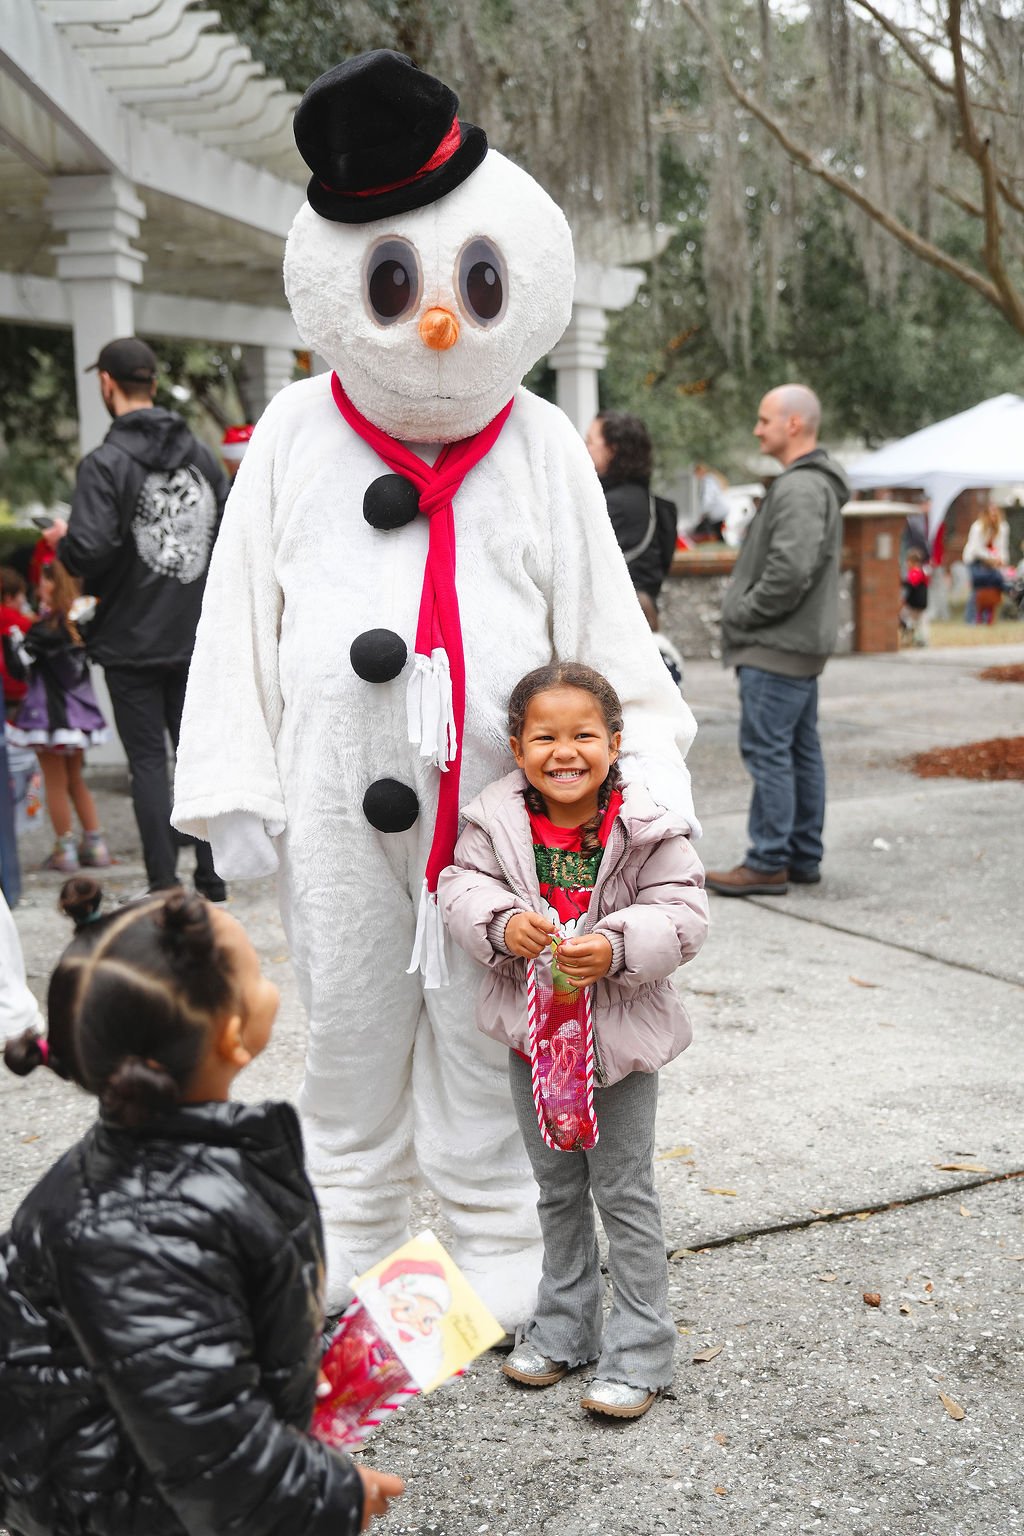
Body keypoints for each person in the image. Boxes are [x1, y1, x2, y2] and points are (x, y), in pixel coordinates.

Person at [0, 879, 404, 1536]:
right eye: (256, 972)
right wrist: (330, 1492)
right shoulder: (135, 1232)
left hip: (149, 1472)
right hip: (128, 1505)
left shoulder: (193, 1161)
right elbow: (207, 1451)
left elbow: (197, 1341)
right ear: (235, 1035)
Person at [438, 662, 708, 1420]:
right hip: (535, 1042)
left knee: (622, 1193)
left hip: (617, 1042)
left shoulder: (647, 822)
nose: (566, 751)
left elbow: (684, 911)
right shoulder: (494, 820)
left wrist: (619, 947)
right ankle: (564, 1329)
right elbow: (460, 885)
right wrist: (498, 922)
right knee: (556, 1191)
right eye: (545, 737)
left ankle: (642, 1352)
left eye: (584, 735)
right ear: (518, 749)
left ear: (614, 743)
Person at [44, 337, 230, 898]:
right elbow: (226, 533)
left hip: (130, 639)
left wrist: (65, 543)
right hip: (196, 631)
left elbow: (92, 549)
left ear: (107, 383)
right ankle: (212, 875)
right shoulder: (200, 454)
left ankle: (163, 882)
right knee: (198, 755)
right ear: (151, 383)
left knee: (149, 762)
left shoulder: (105, 464)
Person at [705, 384, 849, 896]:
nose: (757, 429)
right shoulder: (809, 485)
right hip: (793, 646)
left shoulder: (801, 488)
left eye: (765, 419)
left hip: (776, 647)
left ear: (794, 425)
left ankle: (768, 861)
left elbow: (789, 572)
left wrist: (743, 614)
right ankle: (801, 857)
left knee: (771, 753)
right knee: (798, 750)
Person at [5, 559, 112, 872]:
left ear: (52, 585)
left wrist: (11, 639)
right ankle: (96, 845)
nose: (38, 587)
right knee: (75, 780)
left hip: (48, 716)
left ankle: (65, 849)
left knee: (55, 781)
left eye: (43, 582)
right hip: (78, 716)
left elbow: (19, 667)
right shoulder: (80, 622)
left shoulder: (46, 628)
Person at [584, 412, 679, 614]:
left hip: (617, 619)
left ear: (612, 449)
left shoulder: (617, 504)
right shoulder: (637, 497)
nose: (583, 448)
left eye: (590, 441)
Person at [962, 503, 1010, 622]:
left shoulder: (1003, 527)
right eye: (991, 514)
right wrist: (991, 558)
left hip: (992, 562)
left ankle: (985, 618)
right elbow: (976, 549)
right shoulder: (978, 527)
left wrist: (1001, 560)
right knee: (977, 587)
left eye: (995, 514)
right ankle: (971, 618)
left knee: (991, 586)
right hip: (975, 560)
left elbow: (1002, 547)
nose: (993, 517)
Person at [691, 462, 730, 541]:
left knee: (709, 531)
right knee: (717, 532)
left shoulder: (707, 480)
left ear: (700, 471)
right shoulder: (712, 478)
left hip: (716, 511)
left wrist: (703, 512)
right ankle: (720, 543)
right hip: (721, 509)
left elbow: (707, 497)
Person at [900, 547, 930, 647]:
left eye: (908, 562)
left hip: (915, 603)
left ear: (914, 562)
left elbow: (911, 585)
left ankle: (915, 638)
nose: (907, 564)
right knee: (921, 623)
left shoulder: (915, 572)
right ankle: (921, 639)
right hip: (922, 603)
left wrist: (902, 582)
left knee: (909, 619)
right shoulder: (923, 572)